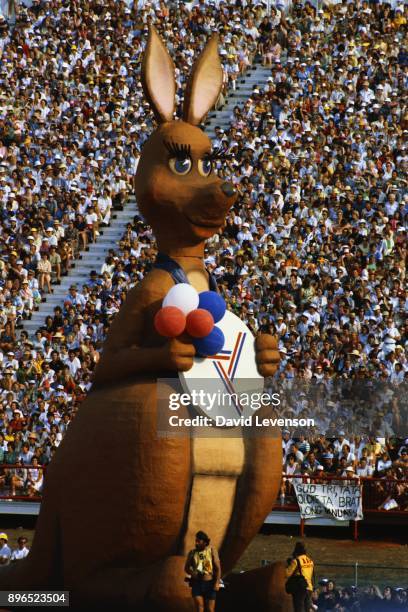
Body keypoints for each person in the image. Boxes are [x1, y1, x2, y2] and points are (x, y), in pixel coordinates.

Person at [184, 530, 221, 612]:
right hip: (197, 584)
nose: (196, 543)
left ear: (204, 542)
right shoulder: (192, 553)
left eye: (198, 541)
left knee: (210, 609)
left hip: (210, 583)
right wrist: (192, 573)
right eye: (195, 541)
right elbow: (186, 568)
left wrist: (217, 583)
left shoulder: (212, 551)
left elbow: (218, 568)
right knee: (200, 608)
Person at [286, 541, 314, 612]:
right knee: (307, 609)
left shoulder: (296, 561)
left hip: (300, 588)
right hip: (309, 588)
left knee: (299, 609)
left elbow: (287, 574)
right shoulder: (310, 561)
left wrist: (288, 565)